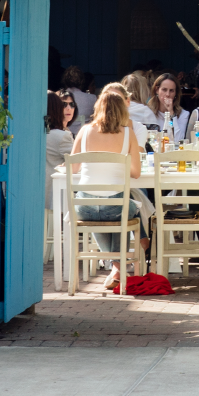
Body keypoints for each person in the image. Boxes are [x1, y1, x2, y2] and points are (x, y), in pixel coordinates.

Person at [73, 86, 145, 291]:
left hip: (84, 207)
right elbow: (136, 173)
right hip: (116, 207)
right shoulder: (128, 134)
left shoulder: (85, 131)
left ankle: (115, 267)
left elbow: (74, 166)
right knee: (123, 206)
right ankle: (118, 266)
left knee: (105, 208)